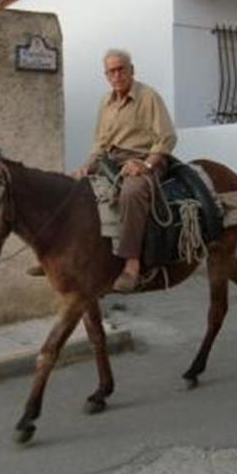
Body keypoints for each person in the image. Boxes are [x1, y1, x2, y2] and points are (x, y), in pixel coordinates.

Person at [76, 48, 178, 292]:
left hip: (146, 158)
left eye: (121, 68)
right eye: (111, 71)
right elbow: (100, 143)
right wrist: (86, 165)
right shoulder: (105, 102)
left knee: (132, 193)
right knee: (74, 189)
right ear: (106, 75)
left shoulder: (148, 96)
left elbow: (167, 137)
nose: (117, 74)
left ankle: (132, 265)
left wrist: (146, 164)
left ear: (132, 70)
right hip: (112, 162)